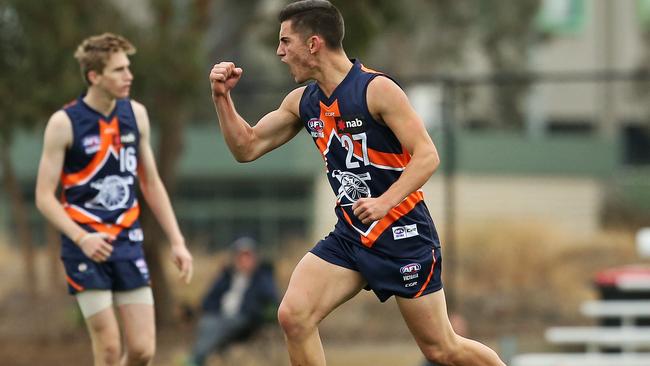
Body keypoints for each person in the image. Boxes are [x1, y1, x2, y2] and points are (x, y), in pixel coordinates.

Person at [208, 1, 505, 365]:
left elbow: (427, 155)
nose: (279, 52)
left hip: (403, 235)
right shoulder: (303, 102)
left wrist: (384, 203)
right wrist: (222, 98)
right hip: (351, 236)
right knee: (294, 316)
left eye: (286, 41)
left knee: (441, 349)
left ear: (313, 43)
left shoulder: (376, 90)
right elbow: (247, 147)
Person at [35, 33, 193, 366]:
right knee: (107, 349)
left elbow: (150, 183)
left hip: (127, 243)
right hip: (85, 245)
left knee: (142, 351)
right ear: (95, 77)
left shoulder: (135, 115)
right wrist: (82, 237)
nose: (129, 76)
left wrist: (177, 241)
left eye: (128, 67)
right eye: (119, 70)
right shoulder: (64, 123)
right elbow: (43, 197)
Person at [188, 236, 279, 366]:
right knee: (208, 322)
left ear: (255, 258)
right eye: (241, 256)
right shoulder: (226, 276)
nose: (244, 261)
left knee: (214, 325)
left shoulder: (262, 277)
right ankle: (198, 357)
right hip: (219, 317)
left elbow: (271, 298)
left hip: (244, 320)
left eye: (248, 256)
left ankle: (196, 359)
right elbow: (208, 299)